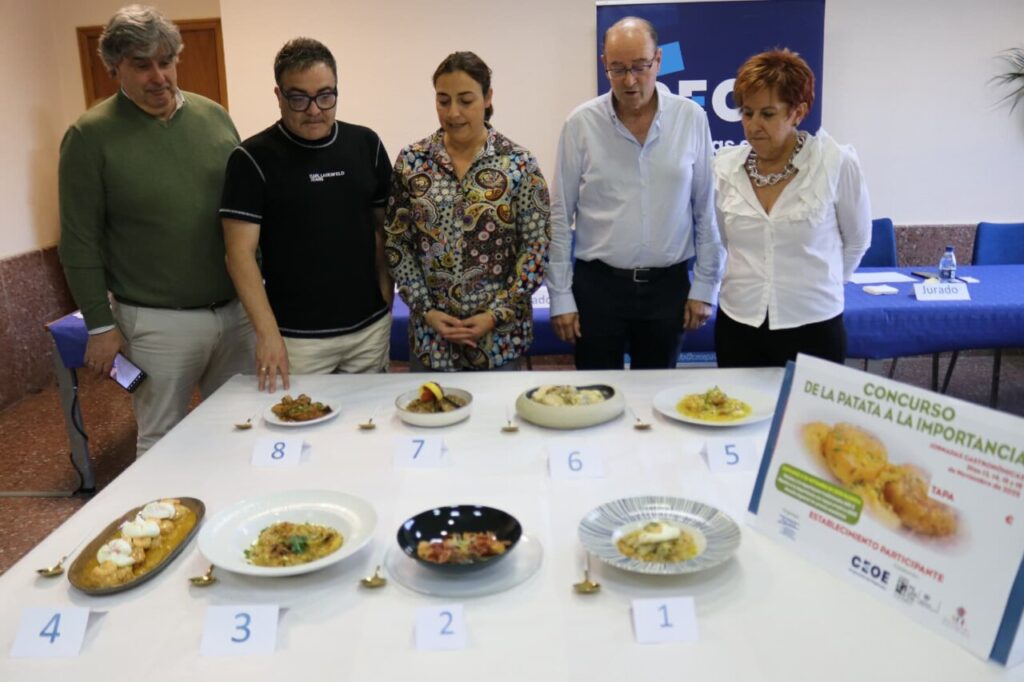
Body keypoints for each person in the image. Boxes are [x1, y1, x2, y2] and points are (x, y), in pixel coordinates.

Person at [58, 5, 254, 456]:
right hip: (157, 324)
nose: (159, 76)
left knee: (243, 427)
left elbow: (243, 213)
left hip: (235, 312)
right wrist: (100, 324)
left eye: (166, 62)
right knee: (162, 442)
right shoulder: (89, 136)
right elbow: (79, 240)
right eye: (142, 65)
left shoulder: (214, 117)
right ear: (115, 68)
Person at [547, 16, 723, 370]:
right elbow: (560, 214)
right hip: (598, 288)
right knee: (596, 393)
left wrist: (705, 286)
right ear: (604, 64)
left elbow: (707, 209)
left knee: (656, 392)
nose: (629, 80)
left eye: (640, 67)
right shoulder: (581, 124)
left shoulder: (690, 118)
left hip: (667, 288)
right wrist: (561, 296)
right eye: (618, 69)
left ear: (658, 60)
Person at [221, 38, 393, 391]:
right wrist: (267, 334)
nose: (314, 110)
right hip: (297, 339)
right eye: (299, 98)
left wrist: (386, 295)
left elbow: (385, 229)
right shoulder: (251, 159)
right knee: (299, 421)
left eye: (325, 96)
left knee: (370, 421)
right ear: (278, 95)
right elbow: (239, 254)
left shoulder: (366, 144)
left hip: (369, 330)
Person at [384, 51, 550, 371]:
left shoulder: (519, 164)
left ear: (488, 98)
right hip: (432, 339)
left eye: (465, 100)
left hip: (498, 340)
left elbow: (536, 248)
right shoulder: (412, 161)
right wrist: (426, 309)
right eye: (443, 101)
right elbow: (397, 243)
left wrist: (496, 314)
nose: (453, 113)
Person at [713, 49, 871, 367]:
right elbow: (725, 242)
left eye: (768, 114)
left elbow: (857, 241)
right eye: (747, 113)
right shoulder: (725, 168)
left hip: (814, 325)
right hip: (739, 323)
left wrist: (820, 286)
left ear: (797, 112)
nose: (754, 125)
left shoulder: (834, 162)